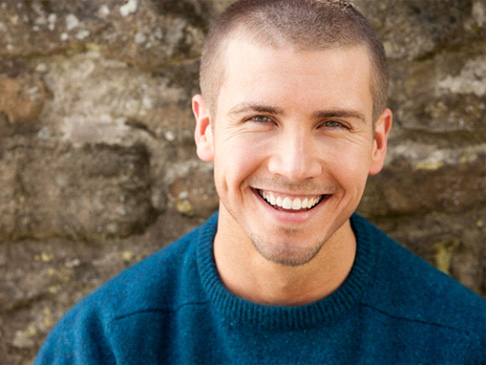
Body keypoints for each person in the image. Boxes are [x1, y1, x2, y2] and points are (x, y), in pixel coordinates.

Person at [35, 0, 485, 363]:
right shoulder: (104, 343)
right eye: (260, 119)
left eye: (332, 124)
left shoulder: (463, 342)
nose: (294, 167)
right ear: (206, 129)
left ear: (377, 141)